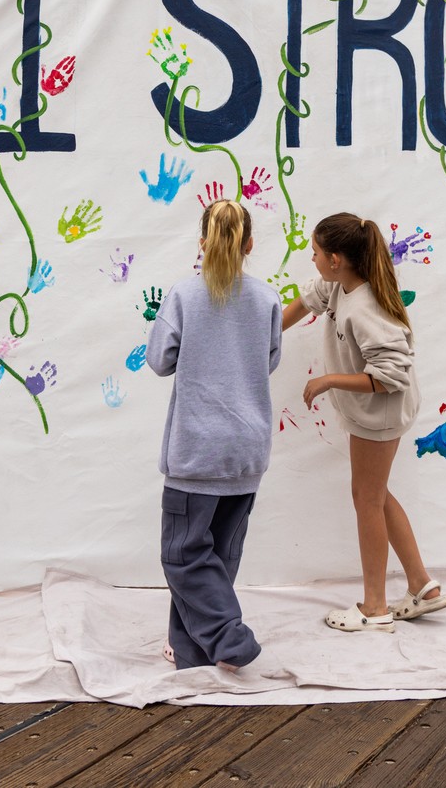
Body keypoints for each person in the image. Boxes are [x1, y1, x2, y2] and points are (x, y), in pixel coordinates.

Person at [284, 212, 446, 633]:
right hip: (372, 412)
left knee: (367, 499)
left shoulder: (365, 308)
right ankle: (423, 586)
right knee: (375, 494)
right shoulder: (339, 284)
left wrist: (328, 380)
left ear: (336, 259)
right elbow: (305, 302)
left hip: (381, 413)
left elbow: (389, 376)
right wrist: (258, 337)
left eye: (316, 252)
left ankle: (374, 607)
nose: (311, 258)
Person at [145, 199, 282, 669]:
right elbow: (268, 361)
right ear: (249, 244)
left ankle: (229, 639)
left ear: (202, 242)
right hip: (247, 448)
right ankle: (189, 648)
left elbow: (159, 361)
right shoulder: (267, 299)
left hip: (197, 448)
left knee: (183, 556)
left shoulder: (183, 296)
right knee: (218, 557)